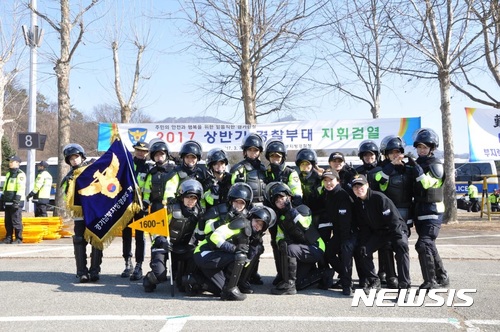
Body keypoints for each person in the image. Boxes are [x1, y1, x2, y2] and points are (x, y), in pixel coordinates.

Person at [190, 183, 254, 300]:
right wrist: (222, 221)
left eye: (242, 203)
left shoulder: (244, 218)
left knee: (221, 290)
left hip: (221, 254)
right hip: (208, 251)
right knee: (238, 256)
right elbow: (205, 230)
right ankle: (230, 290)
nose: (238, 205)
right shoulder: (219, 210)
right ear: (231, 201)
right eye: (236, 202)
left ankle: (194, 281)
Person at [351, 174, 411, 295]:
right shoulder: (358, 203)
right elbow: (364, 227)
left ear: (367, 185)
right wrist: (364, 243)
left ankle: (404, 287)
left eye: (361, 186)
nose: (358, 189)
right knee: (363, 251)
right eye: (355, 187)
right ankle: (374, 281)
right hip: (380, 233)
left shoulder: (379, 198)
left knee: (401, 250)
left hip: (396, 230)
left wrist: (399, 238)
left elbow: (393, 220)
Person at [143, 179, 204, 293]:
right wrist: (162, 241)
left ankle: (182, 277)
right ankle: (148, 279)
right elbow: (155, 229)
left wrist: (200, 225)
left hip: (182, 247)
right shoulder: (170, 209)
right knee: (159, 276)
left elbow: (199, 236)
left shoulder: (198, 213)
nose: (191, 201)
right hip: (162, 245)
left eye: (194, 198)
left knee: (194, 259)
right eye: (188, 197)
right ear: (182, 197)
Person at [373, 135, 417, 289]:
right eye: (391, 152)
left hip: (405, 213)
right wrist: (391, 165)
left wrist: (415, 165)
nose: (395, 155)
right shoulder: (380, 170)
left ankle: (405, 281)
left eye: (397, 151)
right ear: (386, 154)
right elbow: (380, 182)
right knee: (386, 246)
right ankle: (391, 277)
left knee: (402, 246)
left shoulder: (409, 170)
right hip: (387, 214)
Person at [266, 182, 325, 295]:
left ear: (289, 197)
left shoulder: (302, 209)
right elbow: (279, 236)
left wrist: (291, 211)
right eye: (277, 201)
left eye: (282, 198)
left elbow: (305, 225)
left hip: (315, 247)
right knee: (300, 283)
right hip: (300, 252)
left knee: (290, 249)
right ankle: (323, 273)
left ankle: (290, 285)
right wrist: (281, 242)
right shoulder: (282, 219)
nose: (280, 202)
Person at [412, 128, 450, 289]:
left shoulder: (435, 164)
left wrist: (415, 167)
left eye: (425, 147)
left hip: (433, 211)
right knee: (429, 245)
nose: (422, 150)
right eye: (419, 147)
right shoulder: (417, 163)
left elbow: (427, 183)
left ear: (432, 148)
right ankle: (442, 276)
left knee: (424, 244)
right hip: (419, 211)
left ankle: (430, 281)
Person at [230, 132, 267, 285]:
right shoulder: (239, 168)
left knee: (258, 244)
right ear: (245, 151)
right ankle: (241, 276)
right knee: (245, 243)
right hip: (246, 211)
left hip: (260, 210)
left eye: (256, 150)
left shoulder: (263, 169)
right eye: (250, 150)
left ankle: (252, 272)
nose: (253, 153)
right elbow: (233, 191)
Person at [61, 144, 102, 282]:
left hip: (94, 212)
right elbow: (67, 195)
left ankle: (95, 270)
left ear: (82, 157)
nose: (74, 160)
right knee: (79, 240)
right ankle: (81, 271)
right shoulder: (68, 177)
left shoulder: (91, 171)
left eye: (76, 157)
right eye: (71, 158)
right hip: (79, 213)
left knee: (96, 240)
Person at [317, 169, 355, 295]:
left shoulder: (341, 195)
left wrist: (344, 241)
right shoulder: (328, 194)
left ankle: (346, 284)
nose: (328, 183)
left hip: (349, 232)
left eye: (331, 180)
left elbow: (345, 221)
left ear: (338, 181)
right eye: (325, 181)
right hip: (339, 232)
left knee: (345, 254)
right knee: (329, 254)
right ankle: (345, 277)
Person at [120, 142, 151, 281]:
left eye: (143, 151)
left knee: (140, 236)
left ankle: (139, 265)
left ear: (147, 153)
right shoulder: (127, 165)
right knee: (126, 234)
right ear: (135, 151)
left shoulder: (149, 168)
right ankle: (128, 262)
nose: (141, 153)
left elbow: (150, 188)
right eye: (138, 150)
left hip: (141, 206)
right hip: (126, 205)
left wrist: (146, 203)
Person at [2, 156, 26, 244]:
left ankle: (18, 238)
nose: (10, 163)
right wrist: (3, 198)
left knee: (16, 220)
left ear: (18, 163)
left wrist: (16, 201)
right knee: (7, 221)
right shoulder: (9, 173)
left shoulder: (20, 174)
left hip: (16, 201)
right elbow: (5, 188)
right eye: (10, 161)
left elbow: (21, 188)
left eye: (12, 161)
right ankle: (9, 238)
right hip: (8, 200)